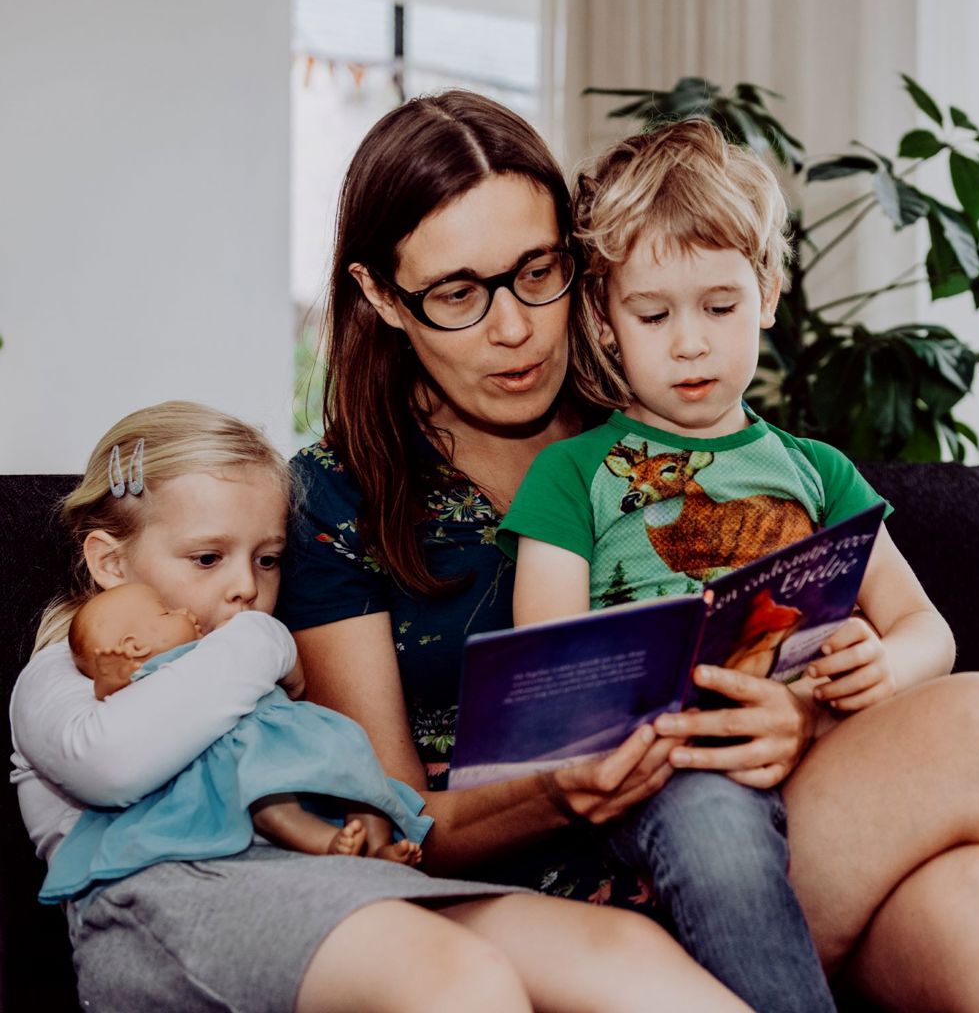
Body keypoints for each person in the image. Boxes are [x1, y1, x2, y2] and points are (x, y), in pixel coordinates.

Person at [278, 89, 979, 1013]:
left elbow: (853, 636)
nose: (514, 327)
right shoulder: (334, 500)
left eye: (539, 271)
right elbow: (403, 831)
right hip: (556, 903)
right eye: (458, 293)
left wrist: (801, 720)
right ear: (382, 295)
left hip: (761, 830)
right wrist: (558, 790)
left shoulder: (671, 421)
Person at [11, 401, 747, 1013]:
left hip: (335, 882)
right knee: (455, 977)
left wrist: (368, 818)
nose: (245, 588)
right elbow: (108, 766)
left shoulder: (253, 683)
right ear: (110, 563)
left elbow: (340, 777)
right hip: (169, 901)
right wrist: (265, 644)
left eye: (267, 561)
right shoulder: (67, 675)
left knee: (621, 951)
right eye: (209, 559)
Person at [496, 118, 955, 1009]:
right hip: (678, 780)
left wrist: (885, 664)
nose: (691, 343)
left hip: (827, 759)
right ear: (602, 318)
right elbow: (551, 678)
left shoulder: (818, 471)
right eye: (653, 314)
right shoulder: (572, 476)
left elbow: (927, 629)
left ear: (769, 293)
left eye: (720, 305)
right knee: (714, 830)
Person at [42, 580, 425, 909]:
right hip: (243, 757)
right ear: (136, 647)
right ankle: (326, 843)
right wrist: (111, 681)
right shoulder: (150, 675)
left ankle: (377, 849)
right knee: (269, 803)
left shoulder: (216, 645)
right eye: (167, 612)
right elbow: (117, 710)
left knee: (356, 776)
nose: (185, 612)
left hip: (293, 739)